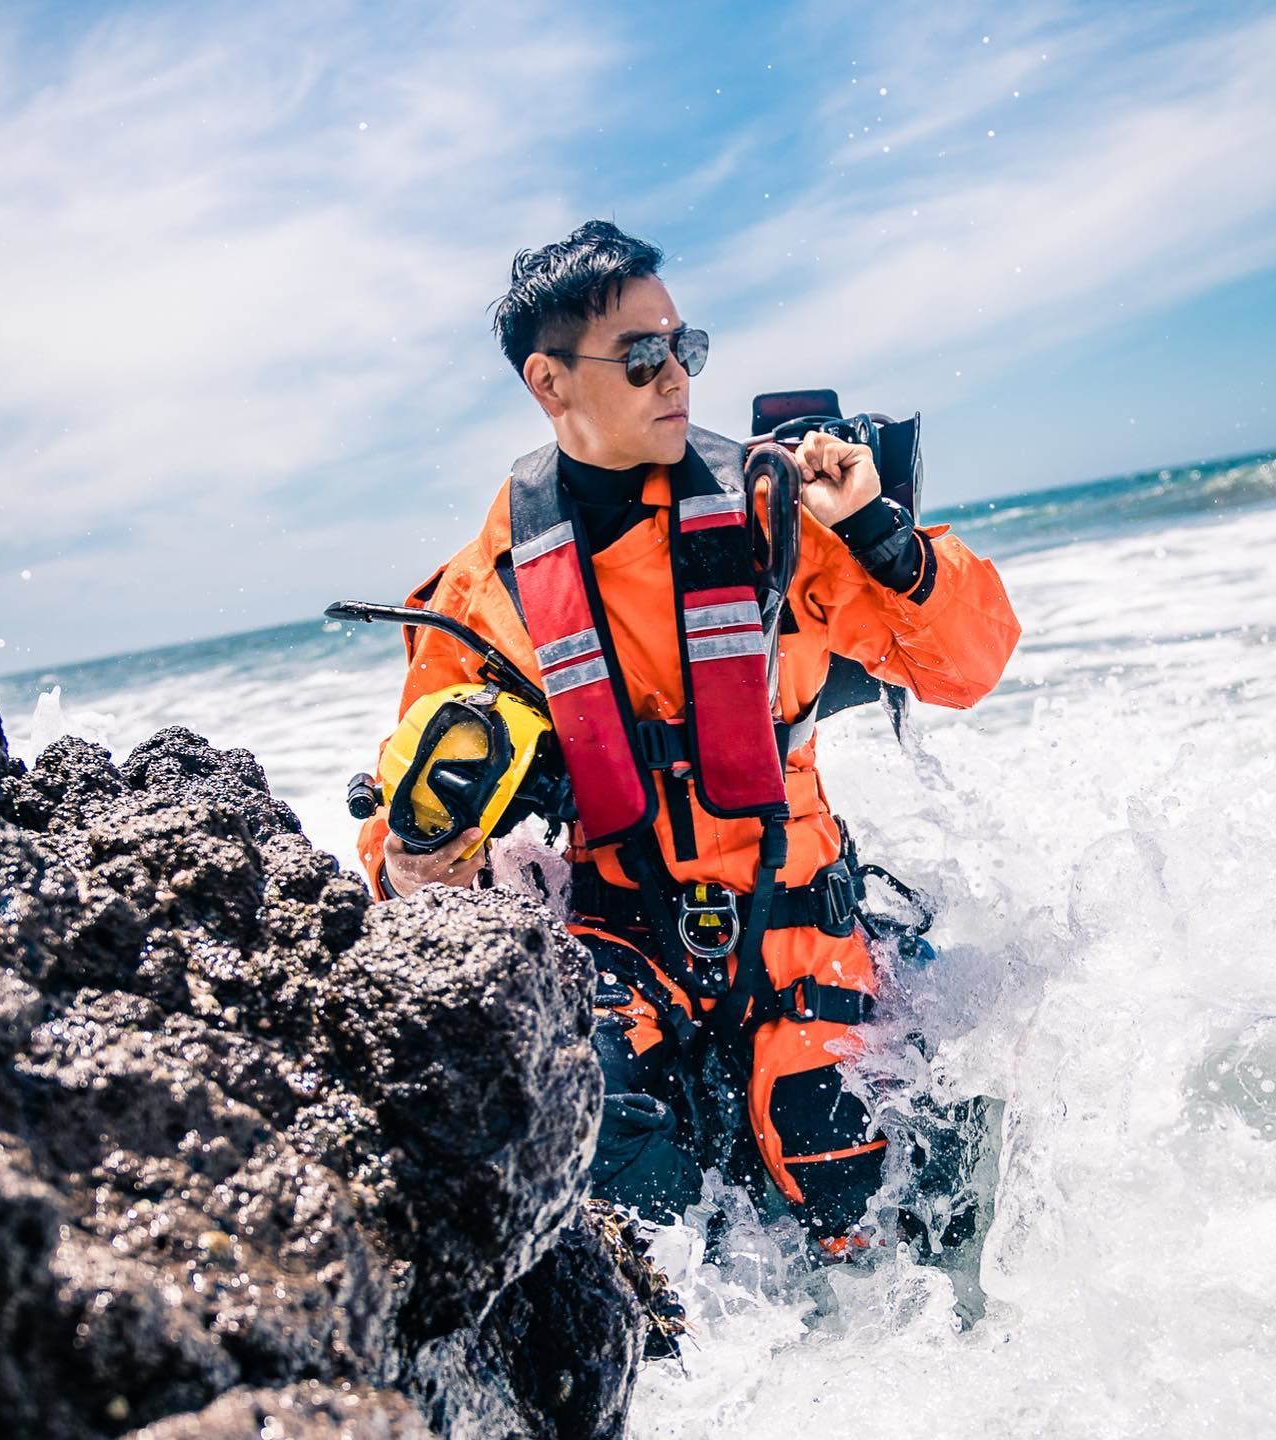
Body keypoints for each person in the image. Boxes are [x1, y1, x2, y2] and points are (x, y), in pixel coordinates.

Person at [356, 220, 1020, 1253]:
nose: (677, 376)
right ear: (549, 382)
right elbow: (407, 875)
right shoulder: (485, 599)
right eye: (640, 356)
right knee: (604, 1180)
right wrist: (415, 848)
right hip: (617, 949)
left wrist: (878, 530)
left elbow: (970, 666)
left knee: (884, 1206)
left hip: (804, 926)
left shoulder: (780, 515)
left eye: (684, 347)